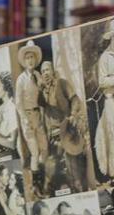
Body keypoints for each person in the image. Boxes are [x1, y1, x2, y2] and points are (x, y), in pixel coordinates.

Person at [37, 60, 90, 194]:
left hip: (68, 130)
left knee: (73, 167)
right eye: (43, 71)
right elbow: (43, 112)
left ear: (53, 71)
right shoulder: (43, 92)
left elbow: (75, 99)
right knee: (52, 167)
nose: (45, 74)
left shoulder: (62, 83)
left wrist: (72, 115)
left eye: (47, 70)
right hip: (55, 134)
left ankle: (80, 190)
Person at [95, 27, 114, 179]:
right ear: (112, 38)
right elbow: (102, 82)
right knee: (111, 133)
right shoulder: (105, 58)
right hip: (110, 99)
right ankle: (113, 170)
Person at [15, 42, 48, 179]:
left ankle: (44, 176)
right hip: (27, 117)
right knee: (34, 151)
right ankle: (37, 181)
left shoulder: (38, 75)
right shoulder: (21, 79)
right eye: (27, 57)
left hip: (38, 115)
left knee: (44, 147)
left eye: (32, 57)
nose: (30, 60)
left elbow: (43, 93)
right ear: (24, 60)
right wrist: (24, 119)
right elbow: (18, 102)